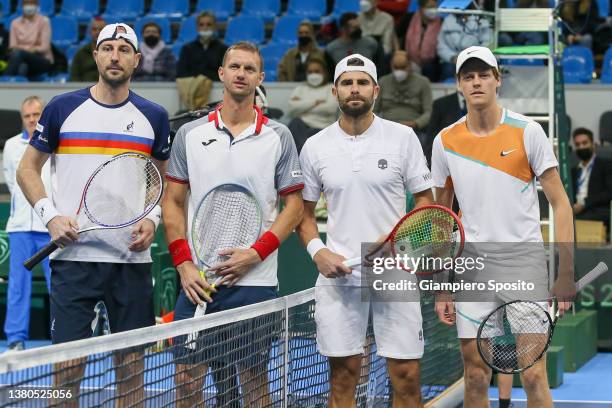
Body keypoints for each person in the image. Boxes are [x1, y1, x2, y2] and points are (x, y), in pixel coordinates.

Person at [16, 23, 170, 406]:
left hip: (131, 261)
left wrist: (152, 219)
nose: (115, 55)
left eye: (123, 49)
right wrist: (51, 216)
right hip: (74, 261)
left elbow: (162, 183)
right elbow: (27, 169)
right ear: (96, 56)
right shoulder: (61, 109)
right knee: (65, 372)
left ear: (136, 61)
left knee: (132, 370)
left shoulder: (154, 116)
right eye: (107, 48)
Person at [431, 46, 575, 408]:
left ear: (497, 80)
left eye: (483, 75)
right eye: (468, 76)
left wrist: (566, 273)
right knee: (476, 376)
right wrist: (441, 285)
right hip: (471, 267)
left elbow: (561, 204)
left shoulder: (528, 132)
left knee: (533, 374)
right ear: (459, 85)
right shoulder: (445, 141)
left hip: (522, 264)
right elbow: (441, 217)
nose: (476, 82)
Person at [163, 41, 304, 408]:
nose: (241, 73)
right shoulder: (189, 135)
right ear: (221, 74)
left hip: (254, 282)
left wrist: (255, 254)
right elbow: (173, 203)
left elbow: (295, 207)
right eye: (235, 67)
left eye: (250, 69)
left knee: (255, 380)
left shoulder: (279, 136)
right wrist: (183, 264)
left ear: (260, 78)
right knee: (185, 378)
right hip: (199, 283)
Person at [296, 53, 434, 407]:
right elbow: (303, 213)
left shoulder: (403, 138)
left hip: (395, 274)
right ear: (334, 91)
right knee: (342, 377)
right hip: (340, 279)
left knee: (407, 377)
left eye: (361, 83)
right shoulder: (315, 146)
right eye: (346, 83)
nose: (353, 89)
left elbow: (425, 202)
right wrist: (318, 252)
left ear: (376, 90)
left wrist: (400, 242)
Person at [2, 96, 51, 353]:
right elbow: (13, 182)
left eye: (37, 115)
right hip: (20, 227)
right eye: (27, 116)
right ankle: (15, 340)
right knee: (18, 286)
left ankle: (63, 337)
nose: (32, 120)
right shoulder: (10, 146)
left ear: (43, 115)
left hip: (51, 228)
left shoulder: (56, 143)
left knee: (60, 285)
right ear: (22, 118)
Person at [374, 50, 432, 137]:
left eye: (403, 67)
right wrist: (382, 124)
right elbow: (374, 109)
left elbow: (429, 111)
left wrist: (416, 123)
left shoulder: (423, 82)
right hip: (386, 129)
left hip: (414, 130)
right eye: (396, 67)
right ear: (391, 65)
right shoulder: (383, 82)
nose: (399, 71)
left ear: (410, 65)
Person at [287, 56, 337, 153]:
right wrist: (315, 102)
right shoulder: (300, 88)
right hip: (301, 127)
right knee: (294, 122)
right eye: (310, 72)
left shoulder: (331, 88)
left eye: (317, 71)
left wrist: (302, 107)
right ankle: (304, 155)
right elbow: (292, 108)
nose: (313, 75)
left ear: (324, 72)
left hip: (322, 129)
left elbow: (330, 108)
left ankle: (302, 156)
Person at [571, 127, 612, 230]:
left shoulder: (606, 165)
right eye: (578, 145)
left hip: (597, 210)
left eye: (585, 143)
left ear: (593, 144)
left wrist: (584, 204)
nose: (581, 147)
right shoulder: (573, 170)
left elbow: (609, 192)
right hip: (575, 211)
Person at [5, 0, 53, 79]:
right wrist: (28, 50)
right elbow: (12, 46)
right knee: (22, 68)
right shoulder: (15, 23)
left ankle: (4, 83)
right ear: (22, 6)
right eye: (26, 3)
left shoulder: (44, 21)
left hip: (41, 60)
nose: (29, 6)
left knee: (19, 53)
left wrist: (25, 50)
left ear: (37, 6)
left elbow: (44, 48)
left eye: (32, 3)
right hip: (21, 59)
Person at [437, 13, 492, 80]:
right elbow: (441, 45)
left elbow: (487, 42)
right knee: (448, 69)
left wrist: (474, 56)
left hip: (475, 58)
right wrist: (452, 57)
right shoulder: (447, 21)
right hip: (453, 60)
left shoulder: (481, 20)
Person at [176, 11, 227, 81]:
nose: (205, 27)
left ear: (214, 27)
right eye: (201, 25)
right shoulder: (187, 49)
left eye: (209, 24)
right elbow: (181, 74)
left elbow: (225, 75)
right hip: (191, 88)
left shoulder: (223, 49)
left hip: (217, 88)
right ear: (197, 28)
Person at [403, 0, 442, 81]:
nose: (433, 10)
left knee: (429, 67)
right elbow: (397, 35)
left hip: (433, 61)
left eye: (435, 7)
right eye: (429, 7)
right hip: (410, 58)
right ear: (421, 8)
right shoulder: (409, 18)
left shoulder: (441, 22)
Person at [70, 17, 106, 82]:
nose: (97, 32)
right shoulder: (81, 53)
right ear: (89, 32)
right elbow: (74, 77)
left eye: (101, 29)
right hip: (84, 89)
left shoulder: (112, 53)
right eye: (94, 29)